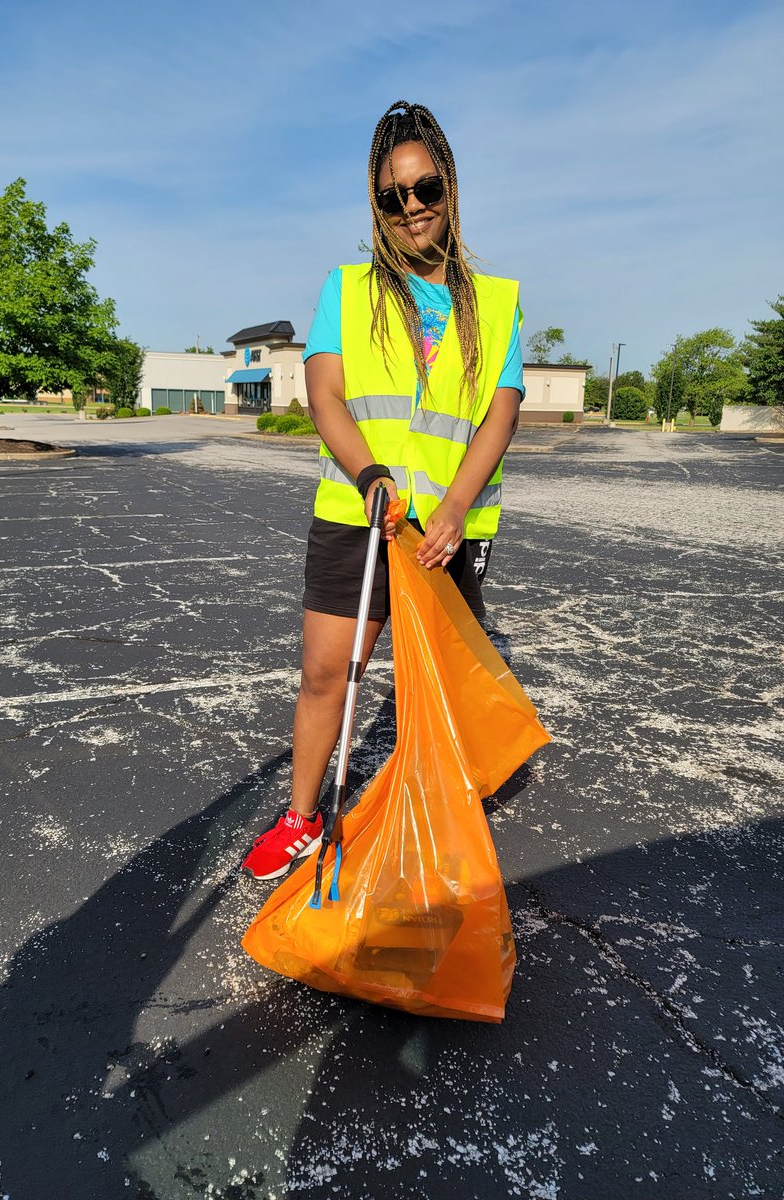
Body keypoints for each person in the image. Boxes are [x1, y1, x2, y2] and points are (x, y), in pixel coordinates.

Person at [242, 100, 525, 881]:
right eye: (392, 196)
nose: (411, 208)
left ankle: (433, 817)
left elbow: (498, 420)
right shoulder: (350, 288)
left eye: (424, 188)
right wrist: (368, 473)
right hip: (356, 516)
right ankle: (302, 818)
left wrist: (457, 511)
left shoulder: (497, 303)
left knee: (435, 691)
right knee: (327, 674)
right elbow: (325, 393)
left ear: (450, 187)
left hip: (445, 529)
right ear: (377, 204)